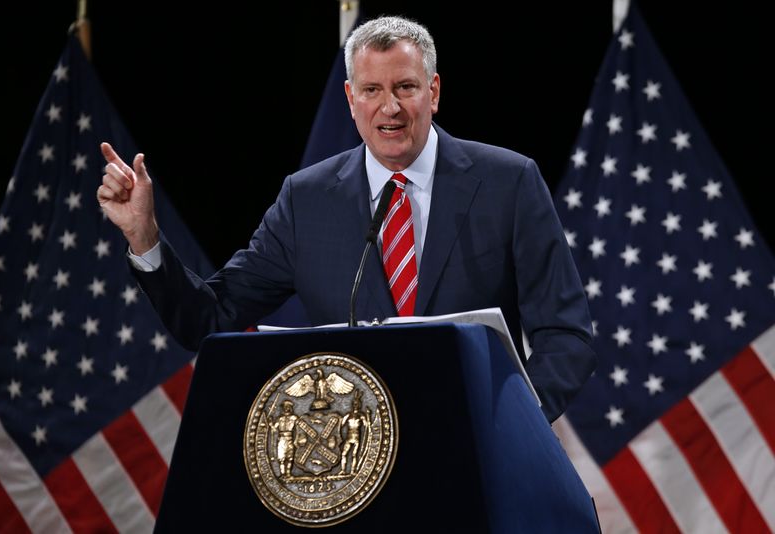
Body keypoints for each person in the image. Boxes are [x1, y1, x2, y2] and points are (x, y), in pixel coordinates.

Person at [96, 16, 596, 422]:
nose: (391, 107)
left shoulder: (508, 183)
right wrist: (145, 237)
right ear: (350, 99)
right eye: (372, 90)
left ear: (434, 91)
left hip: (481, 450)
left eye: (406, 87)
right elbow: (212, 316)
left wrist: (518, 421)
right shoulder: (307, 199)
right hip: (353, 468)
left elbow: (566, 333)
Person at [269, 400, 299, 478]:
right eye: (285, 407)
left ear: (290, 408)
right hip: (282, 440)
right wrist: (271, 424)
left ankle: (288, 473)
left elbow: (300, 429)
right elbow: (274, 428)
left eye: (288, 407)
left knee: (290, 458)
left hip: (290, 439)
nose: (286, 408)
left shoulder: (294, 418)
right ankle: (282, 474)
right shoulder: (280, 418)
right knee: (281, 458)